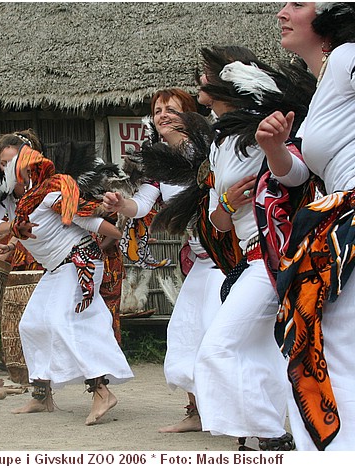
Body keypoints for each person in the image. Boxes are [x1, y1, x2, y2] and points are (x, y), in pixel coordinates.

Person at [256, 2, 355, 451]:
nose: (281, 11)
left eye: (297, 3)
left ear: (328, 15)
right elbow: (299, 173)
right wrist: (274, 149)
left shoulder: (349, 55)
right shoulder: (326, 84)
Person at [186, 45, 314, 450]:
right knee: (253, 352)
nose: (200, 79)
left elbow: (297, 174)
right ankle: (257, 434)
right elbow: (217, 222)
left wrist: (274, 148)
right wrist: (229, 202)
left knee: (218, 348)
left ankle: (273, 436)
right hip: (246, 259)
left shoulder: (264, 128)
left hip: (273, 258)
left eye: (207, 73)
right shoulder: (219, 145)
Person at [103, 88, 225, 433]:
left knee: (217, 336)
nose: (163, 115)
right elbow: (141, 205)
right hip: (200, 260)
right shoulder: (159, 162)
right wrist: (119, 204)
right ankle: (196, 412)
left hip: (227, 259)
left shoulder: (211, 150)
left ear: (191, 115)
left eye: (172, 109)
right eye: (158, 110)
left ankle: (237, 415)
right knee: (185, 333)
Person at [3, 143, 134, 425]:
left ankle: (101, 391)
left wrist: (108, 233)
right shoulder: (27, 201)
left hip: (78, 263)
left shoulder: (50, 195)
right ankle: (41, 394)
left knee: (64, 322)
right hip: (56, 268)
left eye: (10, 163)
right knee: (31, 324)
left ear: (26, 170)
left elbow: (92, 222)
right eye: (3, 163)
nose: (6, 169)